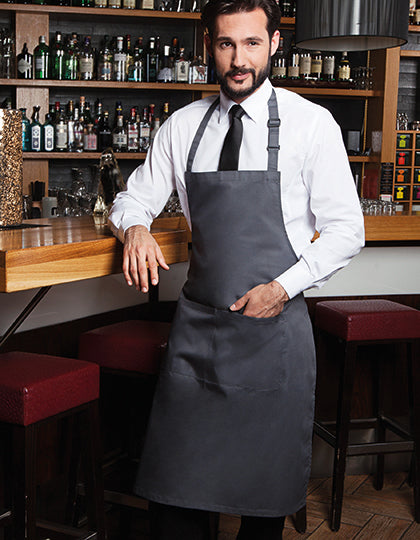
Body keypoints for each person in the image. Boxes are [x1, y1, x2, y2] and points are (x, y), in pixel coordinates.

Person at [109, 0, 365, 537]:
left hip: (273, 335)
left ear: (274, 44)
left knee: (261, 511)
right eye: (226, 44)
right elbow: (132, 199)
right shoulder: (182, 126)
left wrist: (282, 288)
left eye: (251, 43)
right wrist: (134, 228)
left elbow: (347, 230)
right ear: (210, 46)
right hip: (198, 336)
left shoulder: (311, 124)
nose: (239, 59)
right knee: (176, 502)